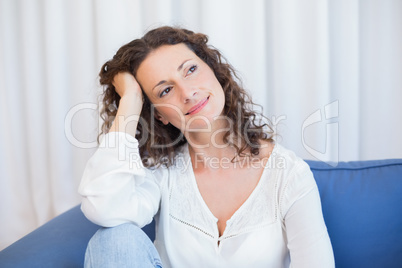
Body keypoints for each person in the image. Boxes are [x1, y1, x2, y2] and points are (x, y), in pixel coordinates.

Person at [79, 26, 335, 268]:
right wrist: (131, 100)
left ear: (213, 70)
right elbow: (104, 208)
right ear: (159, 116)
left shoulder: (289, 174)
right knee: (113, 240)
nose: (187, 93)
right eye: (166, 90)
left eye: (190, 70)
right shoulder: (161, 171)